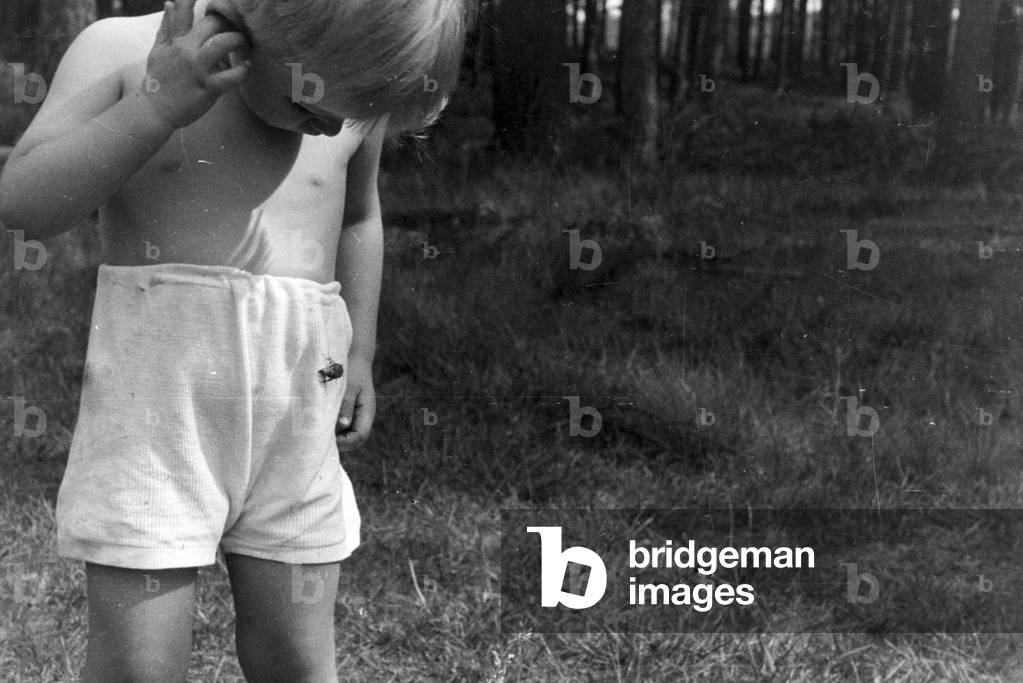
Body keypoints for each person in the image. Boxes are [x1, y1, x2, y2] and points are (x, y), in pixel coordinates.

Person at [0, 0, 468, 680]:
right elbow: (23, 205)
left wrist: (360, 348)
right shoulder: (124, 53)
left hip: (296, 421)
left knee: (298, 658)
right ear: (247, 21)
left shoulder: (345, 86)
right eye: (311, 107)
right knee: (140, 664)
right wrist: (154, 109)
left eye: (350, 115)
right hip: (156, 423)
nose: (334, 126)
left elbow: (359, 216)